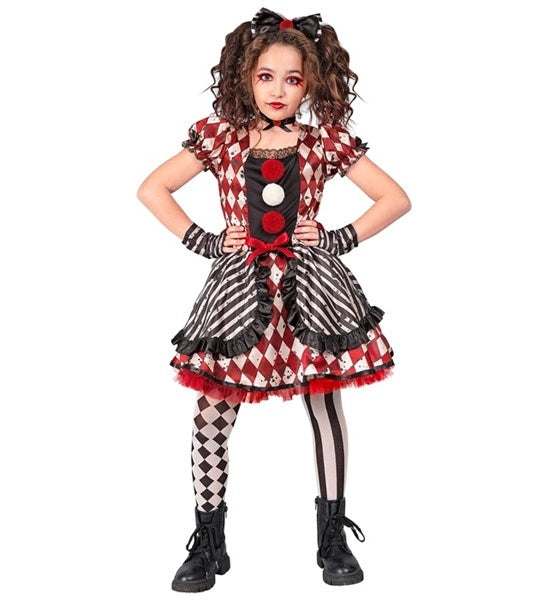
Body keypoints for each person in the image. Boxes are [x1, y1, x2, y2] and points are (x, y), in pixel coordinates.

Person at [137, 7, 411, 593]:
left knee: (325, 403)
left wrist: (338, 238)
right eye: (267, 76)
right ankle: (208, 540)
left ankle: (332, 537)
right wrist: (203, 240)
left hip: (311, 291)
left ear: (310, 83)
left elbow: (394, 198)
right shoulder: (220, 138)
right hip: (239, 291)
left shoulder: (322, 142)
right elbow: (153, 187)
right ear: (245, 77)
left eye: (292, 78)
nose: (279, 90)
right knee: (212, 410)